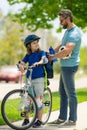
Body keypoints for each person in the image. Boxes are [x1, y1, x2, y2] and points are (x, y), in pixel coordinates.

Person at [48, 9, 82, 126]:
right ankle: (62, 118)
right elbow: (63, 45)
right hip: (65, 66)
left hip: (69, 66)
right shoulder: (68, 31)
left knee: (71, 94)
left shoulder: (74, 33)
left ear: (67, 18)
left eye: (61, 20)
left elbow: (66, 52)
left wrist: (53, 57)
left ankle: (72, 120)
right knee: (62, 93)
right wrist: (53, 51)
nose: (60, 23)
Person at [18, 34, 48, 128]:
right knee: (27, 100)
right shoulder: (28, 55)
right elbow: (22, 62)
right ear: (29, 46)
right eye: (34, 43)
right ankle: (26, 119)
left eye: (37, 42)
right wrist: (21, 66)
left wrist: (38, 63)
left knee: (38, 100)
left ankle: (39, 120)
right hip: (29, 79)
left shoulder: (41, 52)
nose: (36, 44)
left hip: (39, 78)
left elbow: (44, 59)